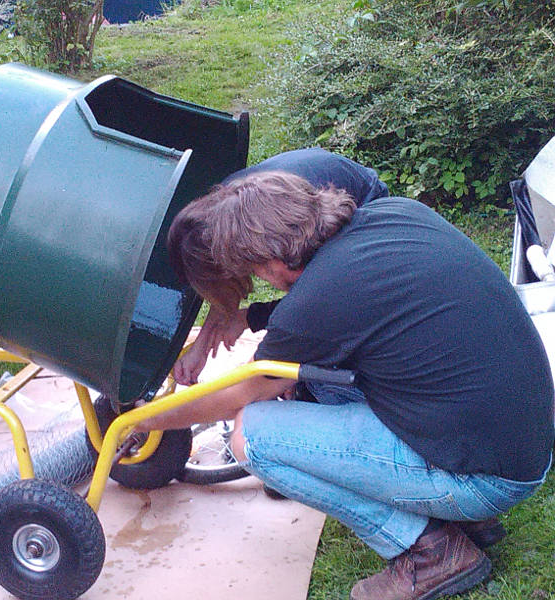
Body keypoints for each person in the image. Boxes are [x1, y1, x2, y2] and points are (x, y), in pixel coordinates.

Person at [141, 170, 554, 600]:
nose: (258, 279)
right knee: (312, 381)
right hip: (515, 442)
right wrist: (252, 318)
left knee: (255, 435)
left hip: (486, 479)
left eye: (256, 271)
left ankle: (429, 550)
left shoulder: (321, 297)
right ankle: (464, 518)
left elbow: (241, 394)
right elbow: (351, 305)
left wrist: (146, 420)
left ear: (274, 261)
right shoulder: (390, 215)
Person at [172, 148, 388, 385]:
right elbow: (226, 290)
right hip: (317, 186)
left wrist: (267, 371)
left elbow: (315, 302)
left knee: (341, 312)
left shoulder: (282, 229)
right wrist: (200, 348)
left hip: (356, 199)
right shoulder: (223, 215)